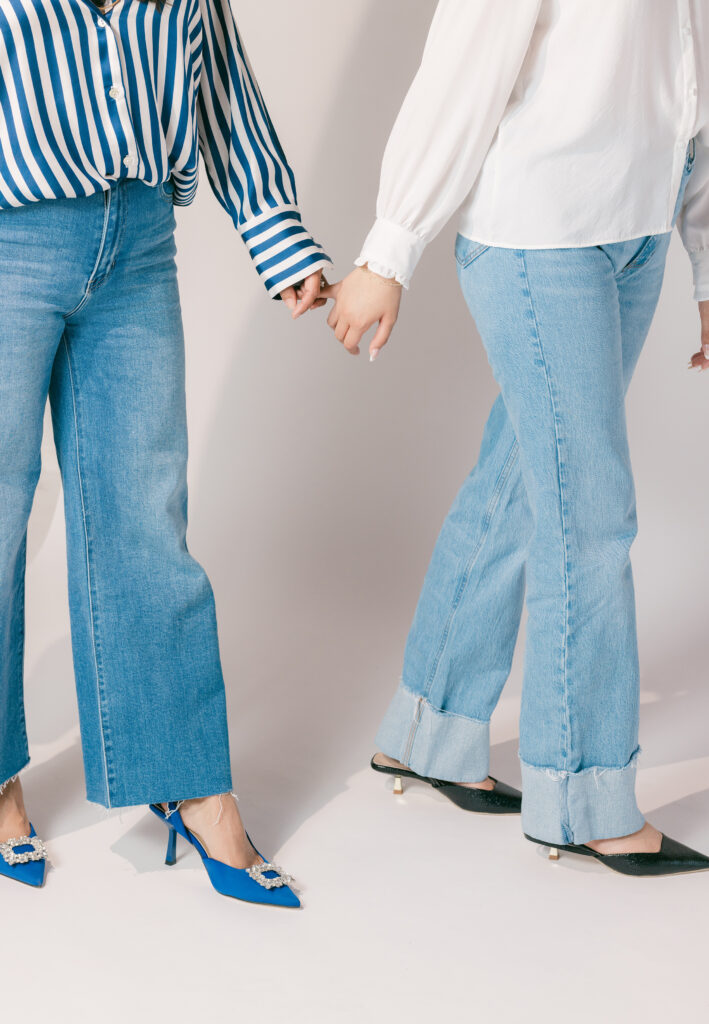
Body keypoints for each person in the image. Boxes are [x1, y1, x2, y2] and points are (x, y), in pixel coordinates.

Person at [323, 0, 709, 875]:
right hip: (540, 237)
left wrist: (703, 264)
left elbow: (691, 90)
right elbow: (460, 73)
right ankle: (580, 799)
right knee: (591, 518)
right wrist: (389, 251)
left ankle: (428, 731)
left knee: (520, 485)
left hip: (634, 237)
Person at [0, 0, 330, 905]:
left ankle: (189, 782)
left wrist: (277, 236)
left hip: (140, 239)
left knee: (146, 518)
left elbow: (219, 81)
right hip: (10, 233)